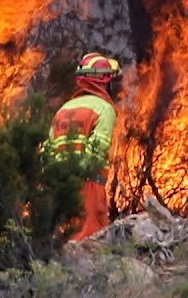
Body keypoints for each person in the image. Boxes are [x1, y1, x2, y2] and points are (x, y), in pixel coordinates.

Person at [42, 52, 121, 241]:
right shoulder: (104, 108)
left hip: (59, 187)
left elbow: (47, 150)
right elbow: (97, 150)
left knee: (64, 241)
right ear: (103, 82)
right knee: (93, 241)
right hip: (89, 185)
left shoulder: (63, 110)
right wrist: (80, 174)